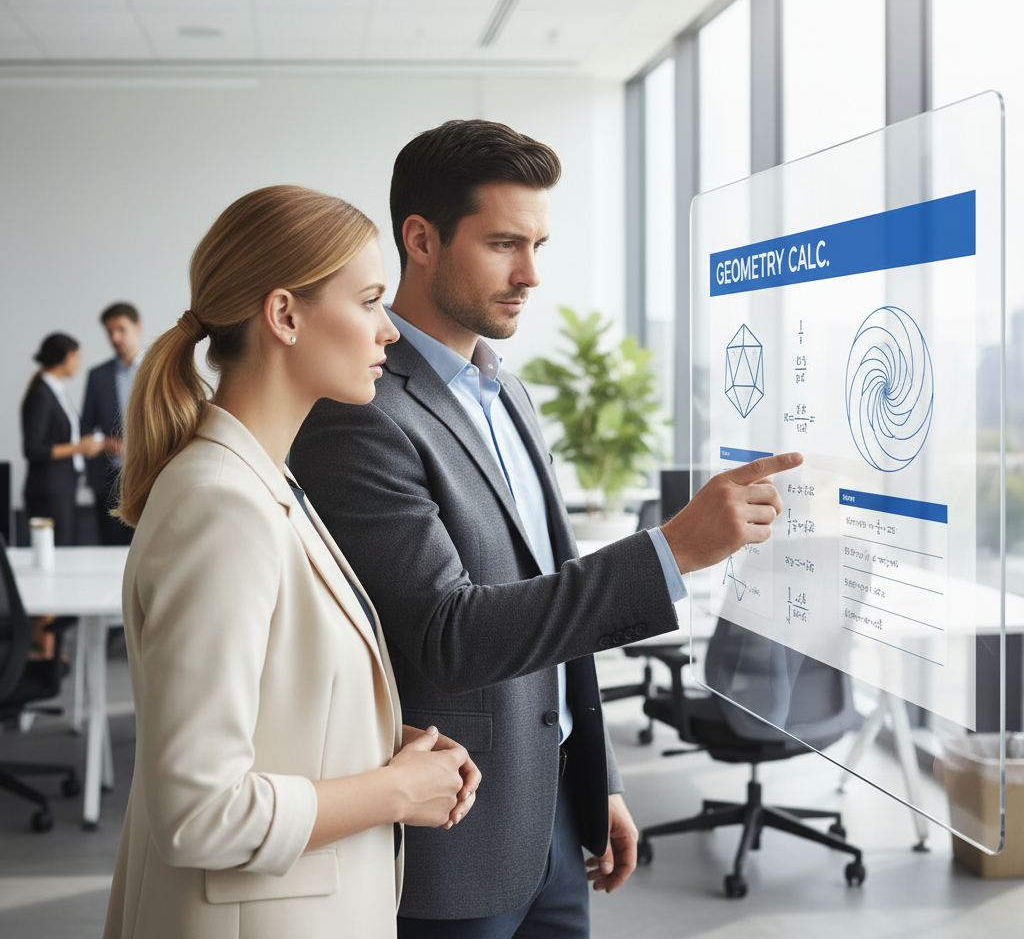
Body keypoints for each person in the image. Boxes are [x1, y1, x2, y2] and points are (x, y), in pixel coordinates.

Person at [290, 120, 800, 938]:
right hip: (455, 842)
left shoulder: (511, 393)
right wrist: (672, 551)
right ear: (420, 239)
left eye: (538, 244)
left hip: (559, 816)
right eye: (502, 244)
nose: (530, 274)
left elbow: (549, 597)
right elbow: (450, 634)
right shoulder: (361, 415)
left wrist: (600, 782)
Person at [103, 185, 481, 939]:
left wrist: (377, 743)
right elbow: (199, 812)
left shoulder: (266, 482)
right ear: (284, 315)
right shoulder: (221, 503)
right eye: (371, 300)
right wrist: (394, 791)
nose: (390, 331)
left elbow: (271, 702)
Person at [21, 332, 103, 547]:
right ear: (68, 356)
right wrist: (79, 448)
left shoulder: (55, 390)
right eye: (78, 357)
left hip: (62, 487)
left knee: (66, 548)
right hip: (49, 490)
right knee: (57, 551)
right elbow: (33, 449)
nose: (78, 363)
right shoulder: (42, 394)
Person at [81, 301, 145, 545]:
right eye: (110, 332)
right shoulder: (98, 376)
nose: (115, 337)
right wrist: (106, 442)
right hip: (110, 480)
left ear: (137, 328)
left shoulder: (158, 370)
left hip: (150, 474)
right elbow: (86, 427)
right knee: (110, 551)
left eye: (121, 329)